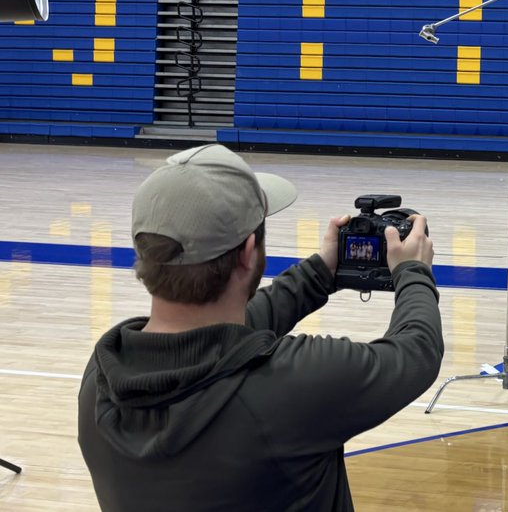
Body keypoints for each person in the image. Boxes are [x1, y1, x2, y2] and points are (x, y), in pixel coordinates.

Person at [77, 144, 443, 511]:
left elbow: (221, 339)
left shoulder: (101, 379)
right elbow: (416, 352)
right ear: (248, 252)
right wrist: (413, 272)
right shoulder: (294, 382)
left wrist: (318, 274)